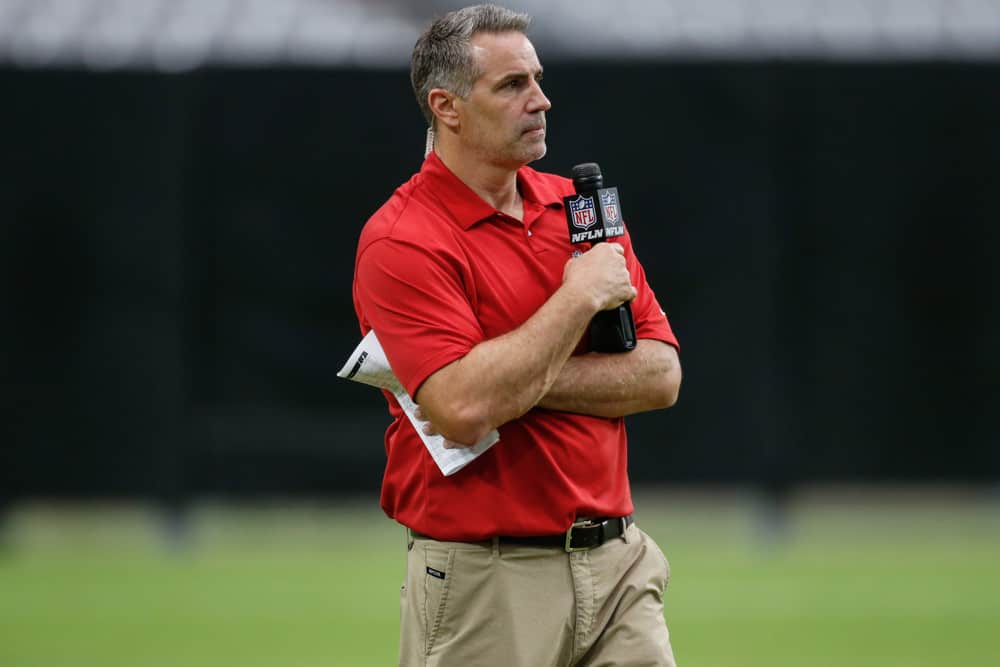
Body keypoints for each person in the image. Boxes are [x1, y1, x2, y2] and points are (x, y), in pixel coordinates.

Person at [352, 5, 682, 665]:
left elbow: (661, 375)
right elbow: (463, 409)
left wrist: (507, 375)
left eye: (537, 78)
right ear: (446, 106)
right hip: (487, 577)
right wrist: (576, 298)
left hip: (618, 563)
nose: (541, 99)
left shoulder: (578, 208)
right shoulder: (401, 240)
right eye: (512, 85)